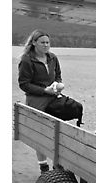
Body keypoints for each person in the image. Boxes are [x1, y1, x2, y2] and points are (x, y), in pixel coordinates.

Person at [18, 29, 64, 173]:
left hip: (52, 98)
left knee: (58, 131)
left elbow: (58, 76)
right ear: (34, 43)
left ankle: (58, 163)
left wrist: (57, 85)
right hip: (35, 101)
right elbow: (24, 84)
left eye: (48, 42)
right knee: (41, 134)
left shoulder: (53, 58)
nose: (46, 45)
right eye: (42, 42)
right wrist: (44, 90)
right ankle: (43, 166)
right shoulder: (26, 60)